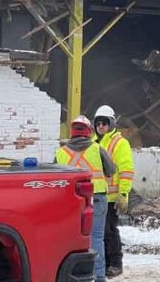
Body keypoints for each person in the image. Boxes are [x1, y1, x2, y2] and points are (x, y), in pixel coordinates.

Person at [55, 115, 115, 282]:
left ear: (72, 132)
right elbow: (111, 170)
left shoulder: (60, 153)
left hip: (70, 201)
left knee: (71, 239)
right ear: (89, 131)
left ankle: (74, 276)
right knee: (96, 238)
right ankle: (99, 277)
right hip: (97, 198)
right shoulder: (97, 148)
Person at [92, 105, 134, 279]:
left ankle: (116, 263)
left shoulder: (120, 142)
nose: (100, 126)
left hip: (111, 197)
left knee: (109, 230)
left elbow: (126, 170)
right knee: (98, 233)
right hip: (97, 196)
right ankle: (106, 263)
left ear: (111, 123)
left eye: (104, 123)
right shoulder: (93, 143)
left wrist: (123, 194)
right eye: (98, 123)